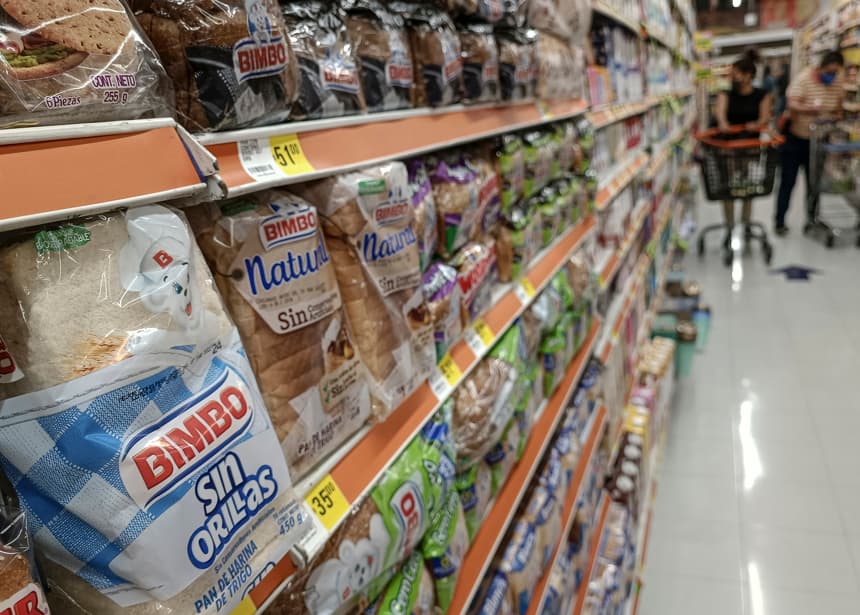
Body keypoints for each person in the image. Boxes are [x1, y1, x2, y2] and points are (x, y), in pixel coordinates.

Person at [774, 51, 845, 235]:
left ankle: (812, 219)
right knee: (788, 182)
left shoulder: (837, 84)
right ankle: (780, 221)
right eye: (829, 72)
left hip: (819, 142)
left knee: (814, 184)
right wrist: (810, 109)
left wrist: (835, 117)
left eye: (835, 73)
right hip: (795, 140)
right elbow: (791, 104)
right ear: (820, 67)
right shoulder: (803, 79)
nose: (831, 76)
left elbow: (839, 108)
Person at [713, 49, 772, 241]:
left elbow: (765, 118)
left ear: (748, 76)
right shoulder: (726, 94)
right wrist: (723, 123)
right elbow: (720, 113)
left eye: (736, 74)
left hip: (750, 148)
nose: (733, 78)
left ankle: (746, 223)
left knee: (747, 187)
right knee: (728, 188)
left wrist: (757, 124)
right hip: (728, 148)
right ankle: (729, 226)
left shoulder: (762, 95)